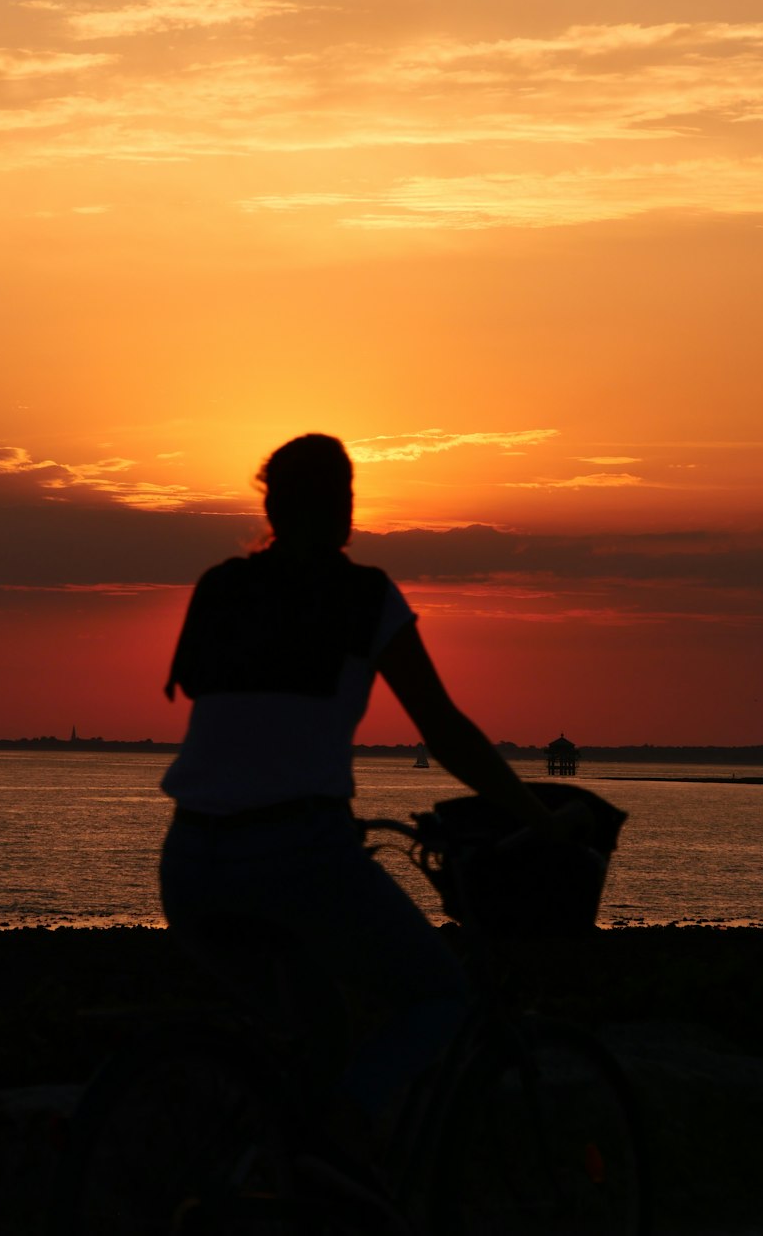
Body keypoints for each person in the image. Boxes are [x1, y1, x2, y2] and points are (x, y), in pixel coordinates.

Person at [159, 433, 560, 1149]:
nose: (348, 506)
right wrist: (535, 813)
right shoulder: (364, 595)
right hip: (295, 853)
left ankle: (288, 1175)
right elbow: (446, 731)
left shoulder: (221, 587)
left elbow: (194, 687)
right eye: (342, 493)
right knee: (439, 994)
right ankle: (340, 1141)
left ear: (272, 507)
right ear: (338, 508)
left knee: (319, 1027)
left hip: (189, 861)